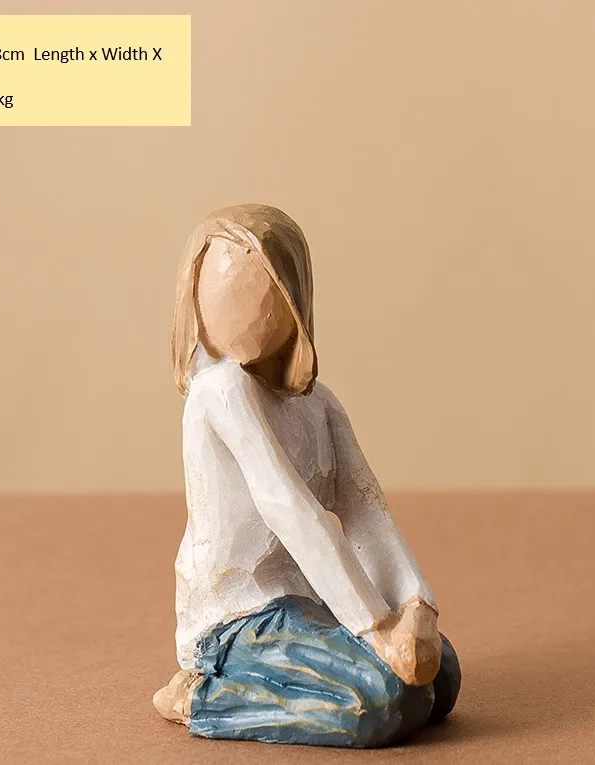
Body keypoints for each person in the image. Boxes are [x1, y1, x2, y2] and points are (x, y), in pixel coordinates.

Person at [154, 203, 461, 747]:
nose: (232, 306)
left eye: (255, 286)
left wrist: (416, 608)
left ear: (293, 296)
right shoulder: (221, 391)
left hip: (305, 602)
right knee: (384, 700)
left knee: (443, 677)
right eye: (216, 287)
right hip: (237, 619)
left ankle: (379, 651)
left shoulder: (320, 406)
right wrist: (374, 627)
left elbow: (366, 510)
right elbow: (288, 508)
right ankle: (203, 696)